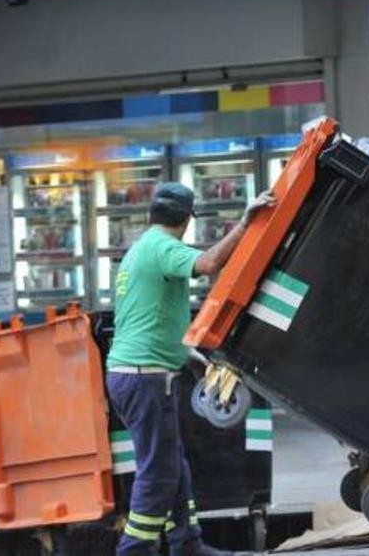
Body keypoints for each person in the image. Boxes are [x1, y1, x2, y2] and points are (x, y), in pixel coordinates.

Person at [106, 182, 275, 556]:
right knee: (158, 470)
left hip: (135, 373)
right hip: (144, 378)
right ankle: (133, 549)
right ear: (185, 220)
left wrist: (193, 361)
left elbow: (152, 320)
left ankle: (187, 544)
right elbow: (209, 264)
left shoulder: (140, 250)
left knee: (172, 463)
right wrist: (246, 222)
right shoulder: (163, 247)